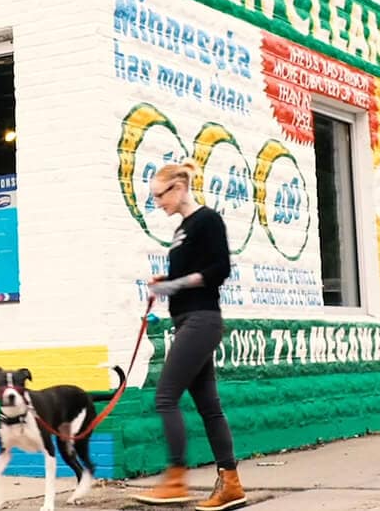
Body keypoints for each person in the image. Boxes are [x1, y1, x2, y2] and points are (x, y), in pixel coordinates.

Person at [132, 160, 247, 511]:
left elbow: (218, 269)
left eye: (160, 195)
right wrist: (163, 283)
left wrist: (175, 284)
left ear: (178, 188)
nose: (158, 203)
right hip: (188, 320)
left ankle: (176, 478)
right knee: (209, 406)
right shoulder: (182, 228)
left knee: (165, 397)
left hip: (202, 319)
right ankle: (231, 484)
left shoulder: (207, 220)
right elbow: (185, 274)